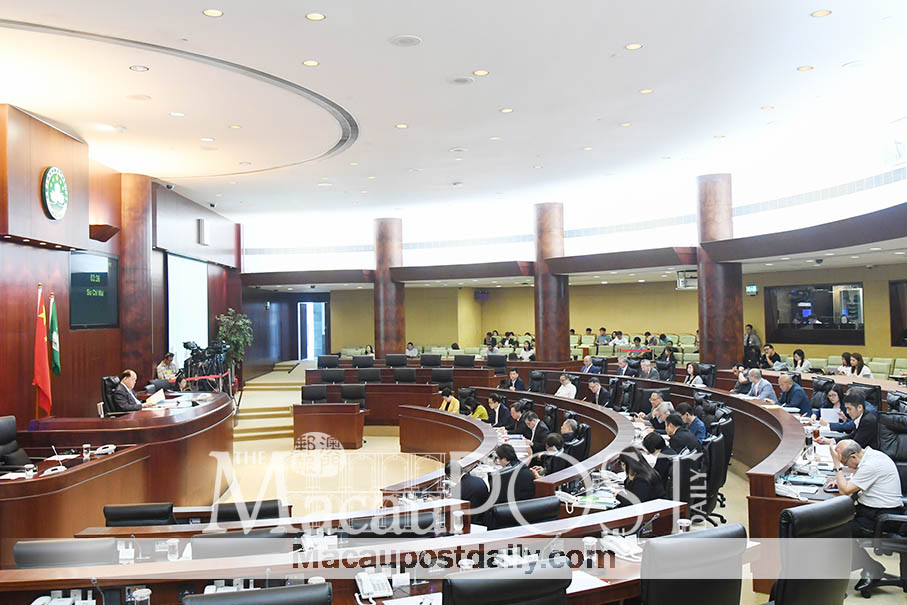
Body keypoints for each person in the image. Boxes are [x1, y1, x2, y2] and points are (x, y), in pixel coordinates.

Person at [827, 439, 905, 590]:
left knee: (837, 532)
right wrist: (843, 480)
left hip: (882, 518)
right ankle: (869, 566)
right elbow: (856, 482)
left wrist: (837, 466)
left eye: (845, 463)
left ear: (854, 456)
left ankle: (871, 567)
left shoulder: (871, 464)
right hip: (872, 512)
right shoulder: (872, 456)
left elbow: (845, 491)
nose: (847, 467)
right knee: (836, 525)